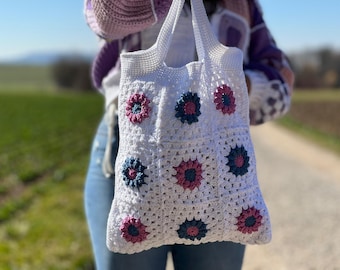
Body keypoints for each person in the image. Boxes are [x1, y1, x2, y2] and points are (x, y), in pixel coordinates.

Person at [83, 0, 294, 269]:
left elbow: (281, 78)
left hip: (218, 164)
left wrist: (241, 85)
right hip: (129, 148)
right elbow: (105, 18)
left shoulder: (244, 5)